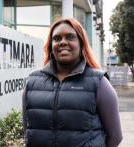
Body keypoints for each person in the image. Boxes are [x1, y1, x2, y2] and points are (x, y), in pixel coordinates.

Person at [22, 18, 122, 147]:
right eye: (57, 38)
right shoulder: (32, 82)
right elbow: (28, 131)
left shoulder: (99, 82)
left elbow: (115, 136)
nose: (63, 42)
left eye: (70, 37)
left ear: (81, 44)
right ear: (50, 46)